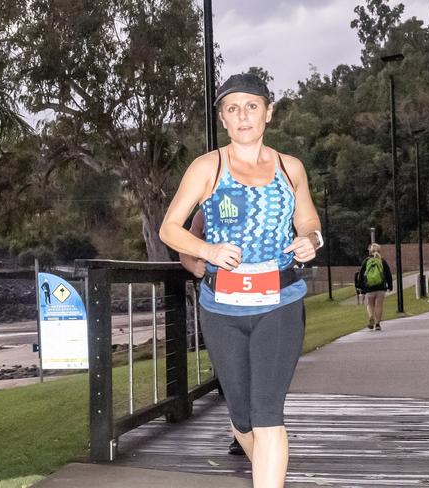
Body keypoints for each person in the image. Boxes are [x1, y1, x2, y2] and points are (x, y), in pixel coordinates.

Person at [160, 73, 322, 488]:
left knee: (268, 412)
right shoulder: (207, 167)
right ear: (223, 119)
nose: (243, 115)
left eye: (252, 106)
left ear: (268, 112)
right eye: (233, 108)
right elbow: (170, 229)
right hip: (222, 309)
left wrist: (310, 239)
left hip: (279, 303)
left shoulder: (291, 167)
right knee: (243, 418)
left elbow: (307, 219)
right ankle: (269, 470)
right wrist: (208, 251)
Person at [179, 209, 246, 457]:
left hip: (265, 304)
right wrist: (193, 264)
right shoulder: (205, 212)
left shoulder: (266, 198)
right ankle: (242, 432)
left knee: (259, 374)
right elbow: (184, 245)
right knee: (234, 374)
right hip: (222, 304)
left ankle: (257, 432)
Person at [357, 243, 393, 331]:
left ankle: (371, 317)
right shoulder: (382, 261)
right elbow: (388, 274)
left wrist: (360, 286)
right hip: (381, 287)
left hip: (369, 288)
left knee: (370, 304)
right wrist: (390, 285)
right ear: (379, 251)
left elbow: (361, 274)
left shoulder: (366, 261)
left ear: (370, 252)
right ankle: (377, 324)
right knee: (379, 305)